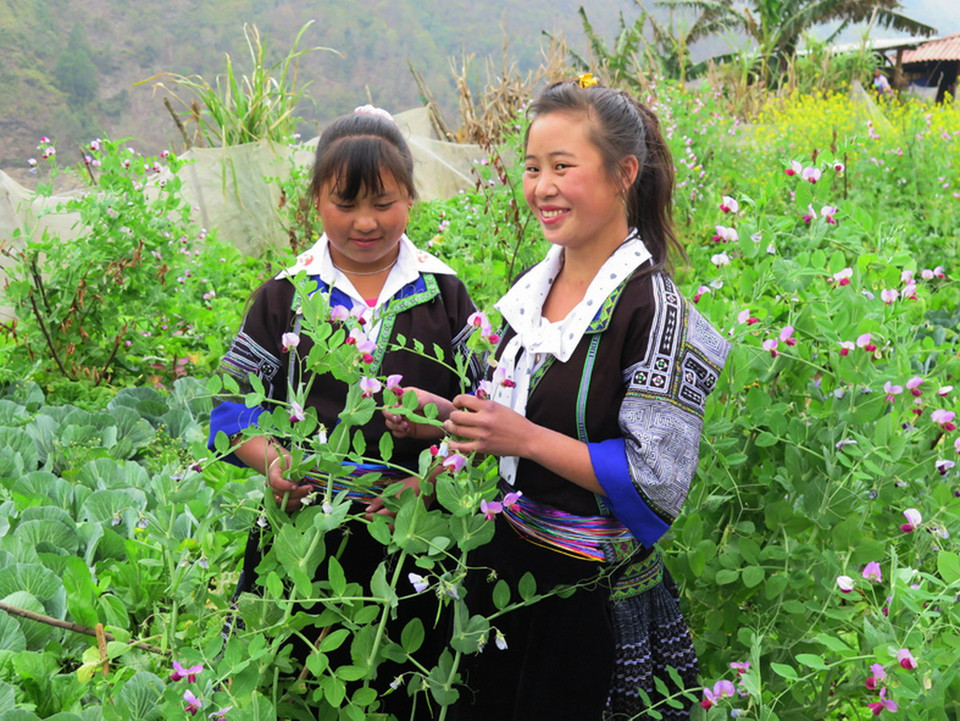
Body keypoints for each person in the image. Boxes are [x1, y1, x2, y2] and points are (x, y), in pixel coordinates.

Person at [396, 77, 731, 720]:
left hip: (590, 604)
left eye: (562, 167)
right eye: (531, 168)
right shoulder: (534, 290)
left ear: (623, 173)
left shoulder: (656, 312)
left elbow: (655, 477)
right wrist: (443, 418)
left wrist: (519, 438)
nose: (541, 187)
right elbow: (511, 407)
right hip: (507, 578)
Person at [208, 105, 479, 718]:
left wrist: (428, 481)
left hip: (419, 538)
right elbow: (227, 413)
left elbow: (487, 414)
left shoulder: (445, 294)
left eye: (383, 203)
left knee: (411, 684)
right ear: (314, 201)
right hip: (304, 539)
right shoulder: (284, 296)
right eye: (344, 202)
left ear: (411, 196)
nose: (364, 222)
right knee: (297, 682)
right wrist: (272, 462)